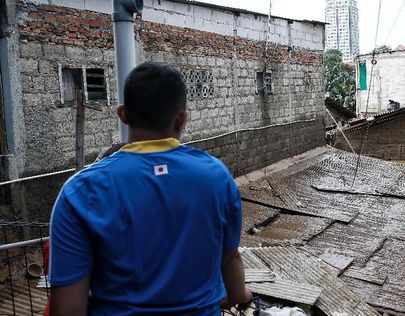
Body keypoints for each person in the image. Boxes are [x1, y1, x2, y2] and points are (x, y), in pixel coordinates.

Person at [48, 63, 252, 315]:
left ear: (122, 114)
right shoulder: (217, 176)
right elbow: (229, 257)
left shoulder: (79, 192)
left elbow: (68, 308)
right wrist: (239, 295)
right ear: (182, 119)